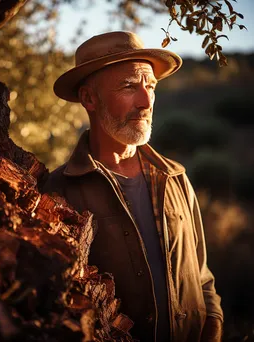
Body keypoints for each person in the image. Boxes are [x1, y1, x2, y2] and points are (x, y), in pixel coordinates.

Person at [40, 31, 223, 341]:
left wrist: (214, 329)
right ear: (89, 99)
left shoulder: (175, 177)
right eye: (129, 86)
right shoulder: (59, 191)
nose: (146, 100)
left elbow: (203, 280)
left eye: (150, 85)